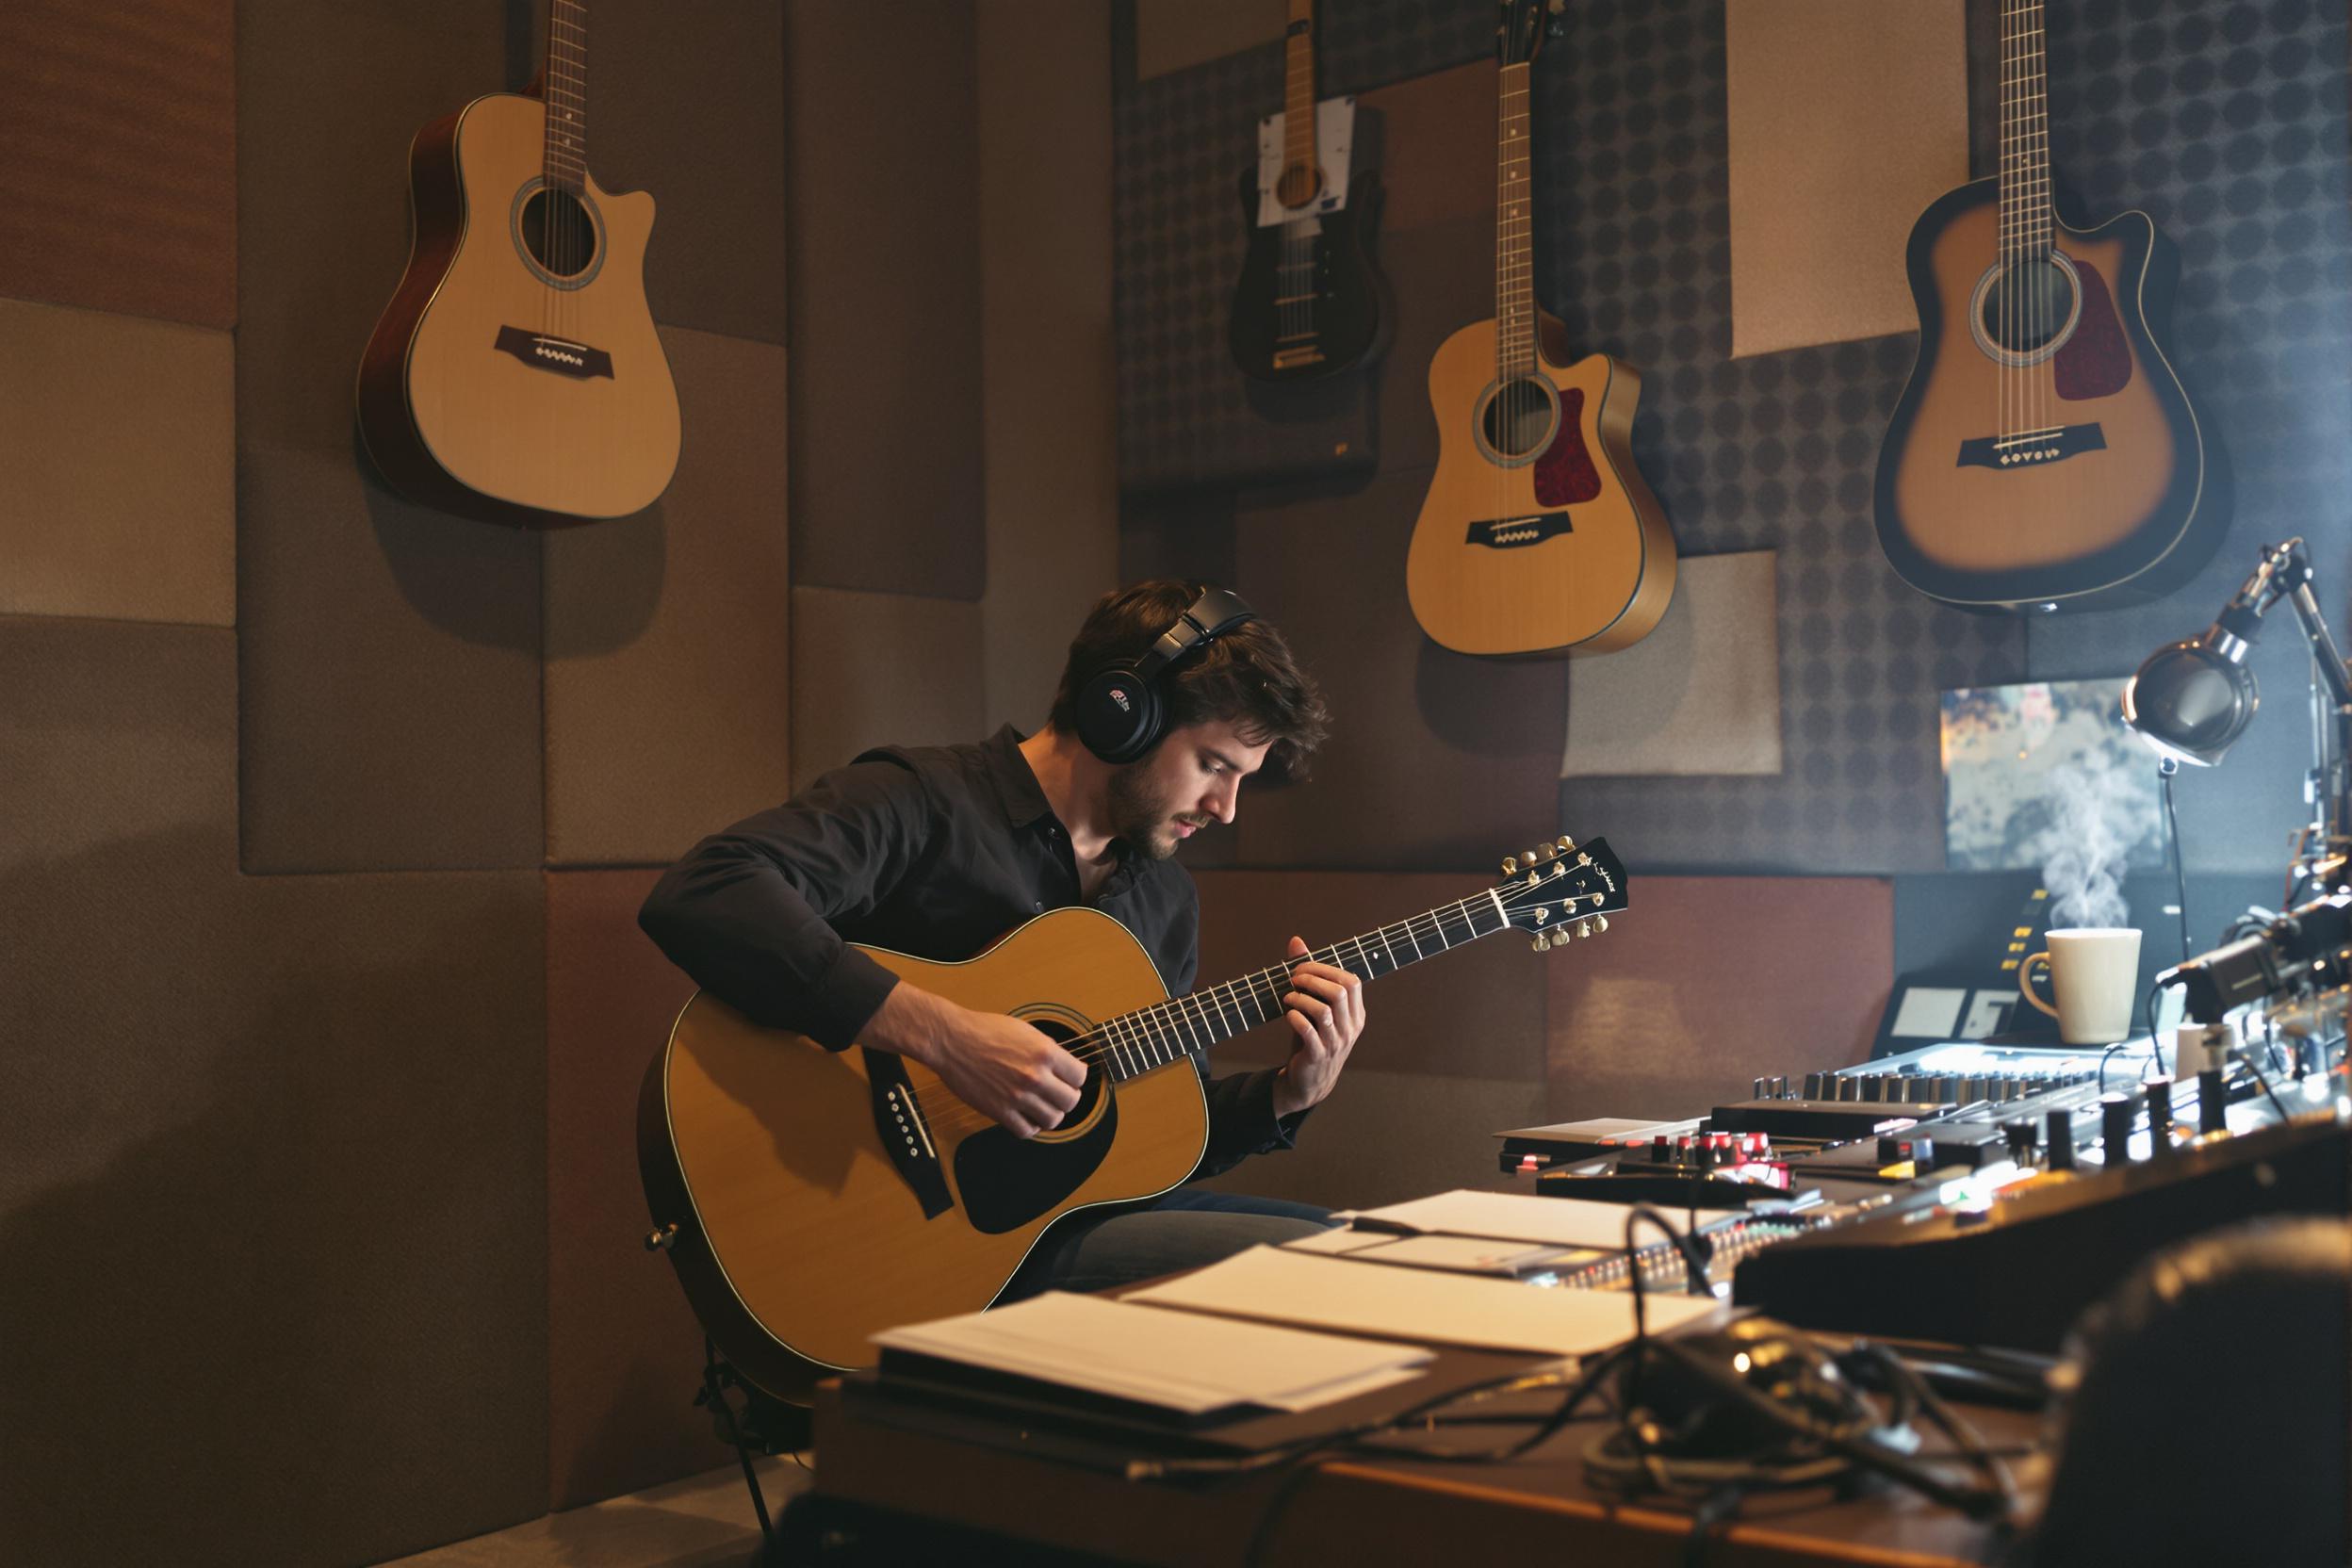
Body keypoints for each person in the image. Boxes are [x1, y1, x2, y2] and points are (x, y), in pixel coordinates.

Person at [638, 580, 1366, 1297]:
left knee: (1371, 1262)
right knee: (1319, 1270)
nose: (1226, 809)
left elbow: (1154, 1140)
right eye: (1214, 766)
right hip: (887, 1232)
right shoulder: (924, 800)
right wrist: (947, 1038)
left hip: (1052, 1230)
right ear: (1123, 714)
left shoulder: (1164, 896)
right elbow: (706, 889)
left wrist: (1286, 1093)